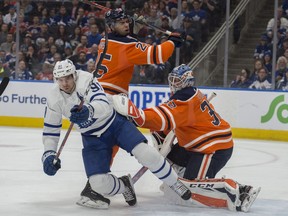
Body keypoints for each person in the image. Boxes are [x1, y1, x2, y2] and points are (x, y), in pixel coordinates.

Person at [41, 59, 191, 210]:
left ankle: (174, 183)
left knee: (146, 154)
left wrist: (89, 111)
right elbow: (50, 129)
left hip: (114, 124)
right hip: (92, 138)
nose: (65, 83)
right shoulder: (54, 98)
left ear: (74, 75)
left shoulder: (86, 79)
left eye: (68, 78)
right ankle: (125, 185)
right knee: (98, 183)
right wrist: (48, 154)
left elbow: (104, 104)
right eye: (60, 80)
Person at [112, 64, 260, 212]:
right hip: (195, 145)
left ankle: (240, 192)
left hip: (212, 148)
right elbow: (166, 122)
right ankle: (184, 176)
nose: (173, 84)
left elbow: (162, 117)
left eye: (177, 81)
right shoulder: (186, 95)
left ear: (187, 81)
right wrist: (158, 142)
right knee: (162, 159)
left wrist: (136, 114)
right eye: (173, 80)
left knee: (188, 192)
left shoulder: (186, 98)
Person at [95, 7, 184, 96]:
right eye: (122, 23)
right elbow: (160, 54)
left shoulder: (104, 40)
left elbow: (123, 48)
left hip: (96, 90)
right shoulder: (127, 46)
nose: (126, 25)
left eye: (127, 21)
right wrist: (172, 41)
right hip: (111, 95)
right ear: (111, 26)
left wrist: (133, 33)